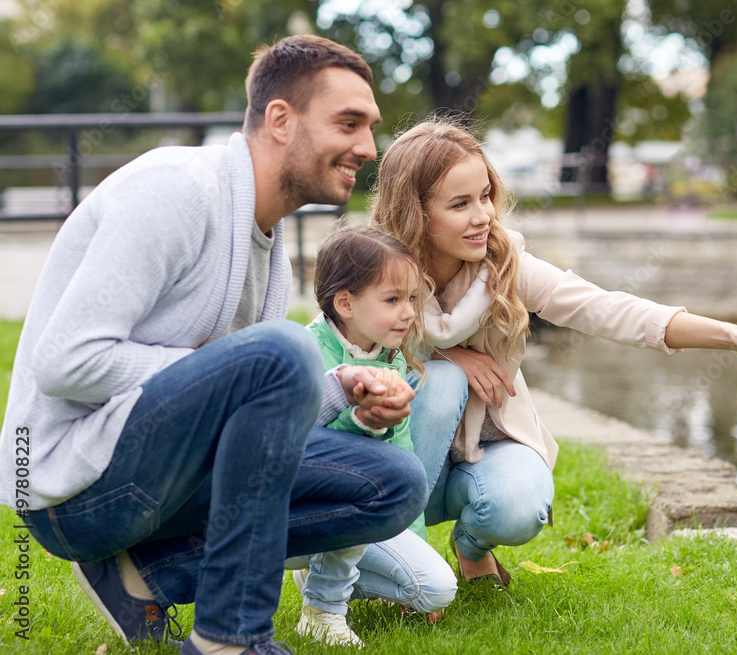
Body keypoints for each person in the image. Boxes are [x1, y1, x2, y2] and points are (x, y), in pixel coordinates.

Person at [0, 37, 466, 655]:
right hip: (70, 490)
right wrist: (239, 372)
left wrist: (336, 392)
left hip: (160, 477)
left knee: (395, 481)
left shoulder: (264, 234)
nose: (367, 148)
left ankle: (143, 580)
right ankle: (230, 640)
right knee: (282, 352)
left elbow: (247, 420)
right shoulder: (176, 191)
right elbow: (64, 362)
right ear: (279, 119)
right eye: (348, 124)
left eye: (370, 128)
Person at [371, 117, 737, 587]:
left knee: (518, 508)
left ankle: (471, 546)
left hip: (486, 446)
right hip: (406, 453)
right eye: (460, 204)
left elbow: (603, 308)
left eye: (485, 196)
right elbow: (347, 353)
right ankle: (402, 556)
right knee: (440, 383)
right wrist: (449, 359)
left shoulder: (502, 265)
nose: (483, 215)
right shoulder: (377, 273)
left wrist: (735, 335)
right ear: (416, 213)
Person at [293, 226, 456, 647]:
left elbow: (403, 458)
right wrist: (365, 421)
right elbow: (310, 450)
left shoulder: (389, 360)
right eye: (393, 300)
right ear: (345, 303)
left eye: (412, 299)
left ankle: (332, 572)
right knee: (356, 481)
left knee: (436, 588)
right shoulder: (306, 354)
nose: (408, 313)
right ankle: (322, 607)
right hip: (301, 510)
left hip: (365, 500)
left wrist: (413, 540)